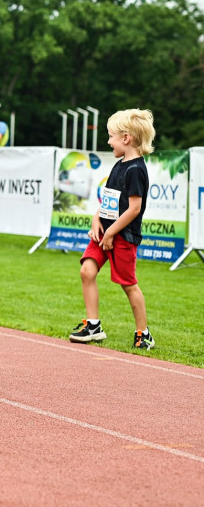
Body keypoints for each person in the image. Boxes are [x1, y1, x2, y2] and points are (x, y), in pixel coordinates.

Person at [69, 109, 155, 350]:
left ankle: (144, 333)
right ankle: (93, 325)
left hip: (122, 237)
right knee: (87, 271)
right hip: (104, 233)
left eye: (111, 136)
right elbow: (110, 199)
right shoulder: (119, 165)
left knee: (128, 284)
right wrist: (97, 219)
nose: (108, 141)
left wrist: (111, 233)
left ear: (126, 138)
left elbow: (134, 208)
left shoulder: (136, 169)